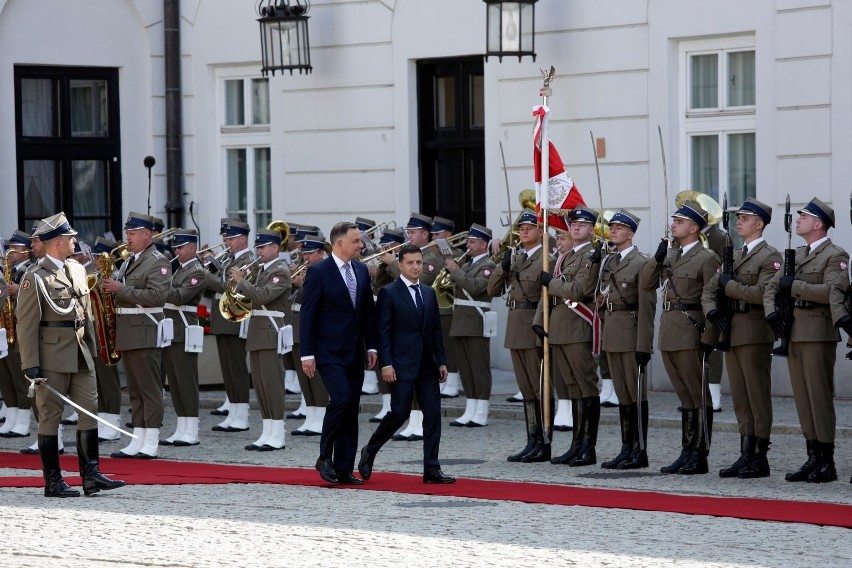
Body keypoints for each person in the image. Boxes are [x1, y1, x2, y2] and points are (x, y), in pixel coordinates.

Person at [17, 212, 125, 497]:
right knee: (50, 415)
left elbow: (84, 313)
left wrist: (94, 346)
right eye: (70, 238)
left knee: (89, 409)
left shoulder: (76, 270)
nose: (75, 241)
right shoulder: (35, 277)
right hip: (51, 356)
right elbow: (26, 324)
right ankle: (53, 481)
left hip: (80, 351)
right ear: (56, 243)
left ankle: (91, 475)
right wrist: (31, 365)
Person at [766, 198, 849, 483]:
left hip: (817, 331)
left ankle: (827, 461)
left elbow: (832, 292)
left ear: (819, 224)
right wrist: (772, 315)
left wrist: (796, 286)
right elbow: (772, 287)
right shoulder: (797, 254)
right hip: (794, 332)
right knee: (802, 399)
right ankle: (812, 456)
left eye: (805, 216)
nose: (799, 219)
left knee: (818, 397)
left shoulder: (835, 255)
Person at [358, 244, 454, 484]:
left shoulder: (429, 293)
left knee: (432, 415)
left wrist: (441, 361)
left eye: (419, 262)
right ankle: (370, 450)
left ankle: (431, 468)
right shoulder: (389, 292)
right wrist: (386, 364)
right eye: (410, 263)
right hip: (401, 364)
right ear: (399, 265)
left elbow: (435, 331)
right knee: (399, 413)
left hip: (427, 365)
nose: (415, 267)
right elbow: (384, 332)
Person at [701, 198, 780, 478]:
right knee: (740, 399)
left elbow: (761, 293)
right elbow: (710, 290)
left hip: (754, 332)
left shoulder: (770, 257)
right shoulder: (732, 255)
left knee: (757, 396)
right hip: (730, 332)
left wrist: (730, 286)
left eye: (745, 218)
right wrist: (712, 312)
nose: (739, 222)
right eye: (738, 218)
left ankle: (760, 457)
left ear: (759, 224)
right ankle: (745, 453)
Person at [640, 200, 720, 475]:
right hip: (670, 331)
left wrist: (710, 337)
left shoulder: (707, 258)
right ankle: (687, 451)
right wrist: (657, 258)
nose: (673, 224)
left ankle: (700, 454)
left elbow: (714, 298)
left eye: (679, 221)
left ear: (694, 227)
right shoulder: (671, 255)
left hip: (691, 331)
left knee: (697, 395)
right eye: (673, 220)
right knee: (685, 397)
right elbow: (646, 284)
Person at [301, 222, 378, 485]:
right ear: (339, 244)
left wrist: (371, 346)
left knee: (351, 407)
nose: (361, 245)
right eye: (356, 241)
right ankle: (324, 457)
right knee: (341, 399)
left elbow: (367, 312)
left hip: (355, 350)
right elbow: (308, 315)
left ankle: (344, 468)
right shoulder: (318, 272)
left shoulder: (360, 270)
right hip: (327, 351)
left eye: (360, 241)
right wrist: (307, 353)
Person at [535, 206, 602, 467]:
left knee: (586, 385)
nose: (576, 227)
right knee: (572, 387)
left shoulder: (590, 256)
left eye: (583, 224)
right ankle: (576, 444)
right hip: (561, 327)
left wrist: (550, 282)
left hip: (578, 327)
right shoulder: (567, 256)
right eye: (574, 223)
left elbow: (579, 289)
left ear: (592, 230)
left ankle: (588, 447)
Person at [101, 211, 171, 459]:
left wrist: (122, 289)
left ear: (146, 234)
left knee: (149, 388)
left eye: (132, 234)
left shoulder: (158, 261)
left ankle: (151, 440)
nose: (127, 239)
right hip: (129, 331)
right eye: (127, 234)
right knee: (134, 389)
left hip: (145, 330)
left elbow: (157, 296)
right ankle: (137, 438)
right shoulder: (131, 260)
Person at [487, 210, 551, 462]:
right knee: (525, 388)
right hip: (515, 325)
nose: (523, 231)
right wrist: (502, 268)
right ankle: (531, 440)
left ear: (541, 232)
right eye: (521, 227)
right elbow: (491, 290)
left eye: (530, 227)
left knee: (539, 387)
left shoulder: (546, 259)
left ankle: (544, 442)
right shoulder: (517, 258)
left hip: (533, 325)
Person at [598, 210, 656, 469]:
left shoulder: (641, 263)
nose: (613, 231)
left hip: (631, 334)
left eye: (619, 228)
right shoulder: (608, 262)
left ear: (630, 234)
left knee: (635, 394)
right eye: (612, 227)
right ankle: (626, 448)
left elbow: (647, 307)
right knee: (622, 394)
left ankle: (639, 450)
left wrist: (644, 344)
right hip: (612, 333)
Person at [231, 228, 292, 451]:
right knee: (261, 386)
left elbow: (263, 296)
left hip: (270, 331)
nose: (259, 251)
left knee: (272, 384)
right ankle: (267, 431)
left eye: (263, 247)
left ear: (275, 248)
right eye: (258, 247)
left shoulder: (281, 271)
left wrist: (242, 282)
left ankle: (277, 434)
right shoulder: (260, 271)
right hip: (258, 331)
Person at [206, 219, 255, 432]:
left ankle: (242, 415)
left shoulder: (248, 259)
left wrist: (206, 276)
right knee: (227, 368)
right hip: (222, 316)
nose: (227, 242)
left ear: (243, 239)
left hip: (236, 316)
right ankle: (233, 412)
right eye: (225, 238)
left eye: (231, 238)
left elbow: (232, 287)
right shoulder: (228, 259)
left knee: (237, 367)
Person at [446, 224, 496, 427]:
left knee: (479, 367)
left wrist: (455, 271)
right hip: (460, 320)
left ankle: (482, 411)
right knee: (466, 369)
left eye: (473, 242)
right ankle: (470, 408)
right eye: (468, 242)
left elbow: (475, 287)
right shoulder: (466, 264)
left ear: (484, 244)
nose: (469, 245)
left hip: (476, 321)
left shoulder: (488, 266)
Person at [161, 229, 207, 447]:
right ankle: (181, 426)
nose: (176, 251)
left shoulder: (197, 271)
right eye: (175, 248)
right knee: (175, 382)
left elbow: (180, 297)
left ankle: (192, 430)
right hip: (172, 329)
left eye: (180, 247)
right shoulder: (179, 270)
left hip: (184, 329)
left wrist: (158, 283)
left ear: (192, 248)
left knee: (186, 382)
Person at [289, 234, 330, 436]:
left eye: (310, 253)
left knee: (317, 378)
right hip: (298, 326)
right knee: (304, 377)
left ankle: (321, 418)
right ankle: (311, 416)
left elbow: (321, 296)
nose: (306, 257)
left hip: (317, 327)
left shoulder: (325, 270)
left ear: (321, 253)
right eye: (304, 253)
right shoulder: (307, 269)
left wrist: (301, 284)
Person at [0, 231, 36, 440]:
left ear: (26, 250)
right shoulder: (11, 271)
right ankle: (12, 416)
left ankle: (23, 420)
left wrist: (18, 292)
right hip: (5, 329)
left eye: (16, 247)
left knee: (19, 376)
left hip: (19, 328)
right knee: (5, 377)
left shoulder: (29, 271)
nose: (11, 251)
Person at [88, 237, 124, 441]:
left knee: (109, 380)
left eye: (98, 257)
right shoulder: (94, 275)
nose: (94, 260)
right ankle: (103, 421)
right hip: (94, 329)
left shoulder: (116, 275)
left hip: (109, 330)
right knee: (98, 381)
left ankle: (113, 424)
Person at [430, 216, 464, 399]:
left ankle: (452, 382)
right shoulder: (430, 253)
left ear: (449, 234)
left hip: (449, 307)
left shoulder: (457, 254)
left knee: (449, 348)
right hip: (434, 306)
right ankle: (443, 380)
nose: (434, 237)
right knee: (438, 347)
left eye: (438, 233)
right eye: (433, 234)